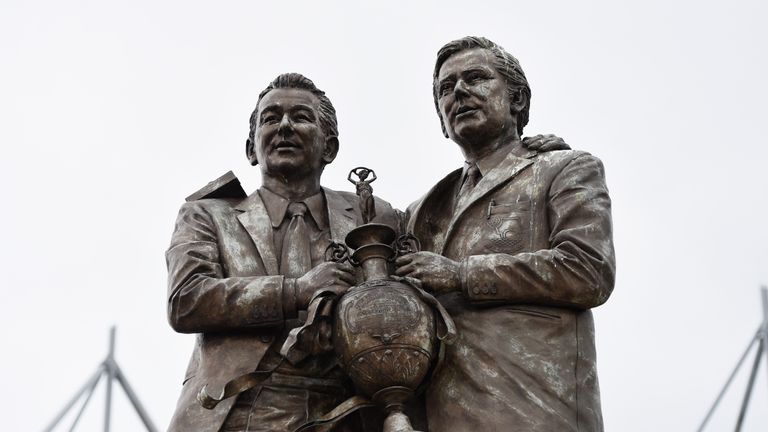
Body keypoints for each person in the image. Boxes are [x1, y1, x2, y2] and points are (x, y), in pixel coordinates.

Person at [395, 36, 616, 431]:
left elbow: (588, 271)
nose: (459, 91)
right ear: (442, 122)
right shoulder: (421, 212)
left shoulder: (564, 168)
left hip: (536, 411)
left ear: (517, 100)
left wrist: (461, 275)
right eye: (446, 89)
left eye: (476, 78)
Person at [166, 73, 400, 431]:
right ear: (251, 148)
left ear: (330, 148)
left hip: (348, 411)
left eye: (301, 117)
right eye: (271, 118)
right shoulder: (208, 214)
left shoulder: (375, 215)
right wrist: (296, 290)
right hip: (239, 409)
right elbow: (186, 300)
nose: (285, 127)